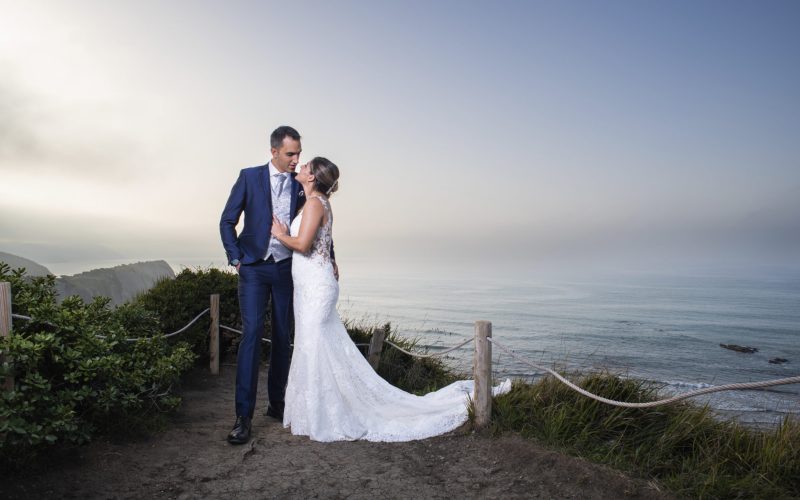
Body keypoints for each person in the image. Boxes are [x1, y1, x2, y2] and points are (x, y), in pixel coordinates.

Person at [271, 157, 510, 442]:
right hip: (309, 286)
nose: (301, 166)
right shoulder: (316, 202)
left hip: (315, 288)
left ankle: (325, 415)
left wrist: (281, 235)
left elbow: (303, 244)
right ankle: (313, 413)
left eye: (306, 165)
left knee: (315, 346)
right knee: (313, 347)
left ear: (311, 177)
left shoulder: (314, 204)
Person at [220, 126, 325, 445]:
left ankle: (277, 405)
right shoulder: (249, 177)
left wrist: (329, 255)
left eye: (298, 154)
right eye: (290, 154)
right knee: (251, 335)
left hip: (285, 269)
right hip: (252, 267)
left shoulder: (299, 185)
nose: (296, 160)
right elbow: (227, 220)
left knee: (283, 337)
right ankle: (243, 417)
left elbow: (315, 222)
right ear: (274, 151)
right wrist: (236, 257)